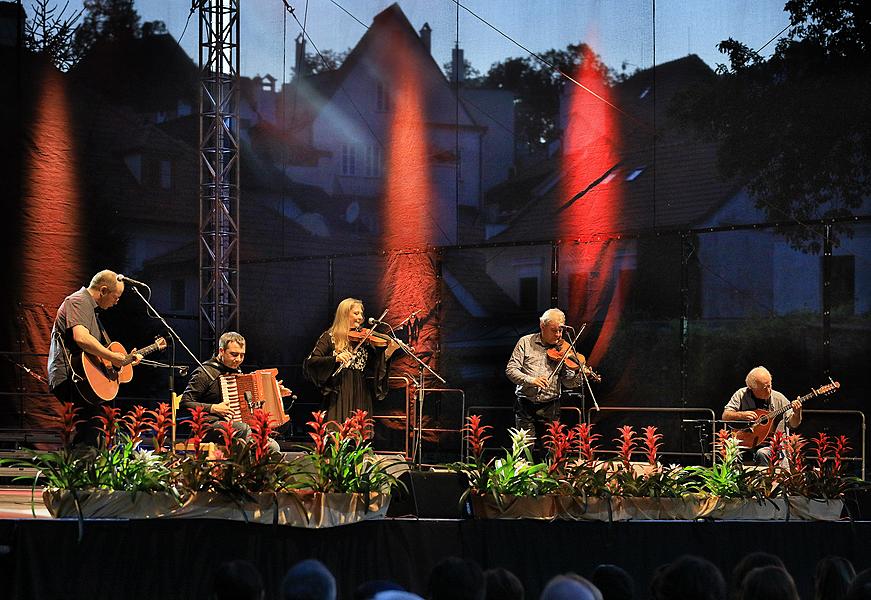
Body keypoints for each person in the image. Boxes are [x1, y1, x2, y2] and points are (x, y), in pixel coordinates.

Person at [47, 269, 141, 444]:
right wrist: (113, 357)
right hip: (69, 376)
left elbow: (98, 353)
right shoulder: (78, 301)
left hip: (81, 378)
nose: (116, 302)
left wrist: (123, 361)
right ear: (104, 290)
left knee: (93, 428)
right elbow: (81, 338)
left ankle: (83, 468)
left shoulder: (91, 309)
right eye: (116, 297)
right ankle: (78, 469)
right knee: (91, 427)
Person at [179, 331, 280, 451]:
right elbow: (185, 403)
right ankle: (241, 468)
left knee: (272, 447)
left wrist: (274, 390)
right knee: (242, 429)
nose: (238, 359)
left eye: (242, 355)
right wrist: (213, 408)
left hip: (238, 428)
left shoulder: (237, 373)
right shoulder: (204, 373)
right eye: (234, 354)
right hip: (208, 426)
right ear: (221, 351)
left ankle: (255, 467)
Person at [303, 298, 398, 423]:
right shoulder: (330, 336)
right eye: (356, 313)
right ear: (344, 314)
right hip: (339, 390)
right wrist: (335, 359)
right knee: (337, 433)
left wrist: (389, 351)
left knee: (359, 433)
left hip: (360, 389)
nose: (360, 317)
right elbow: (311, 362)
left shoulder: (363, 340)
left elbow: (375, 365)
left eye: (361, 314)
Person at [505, 308, 581, 453]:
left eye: (561, 331)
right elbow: (511, 370)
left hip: (551, 407)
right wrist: (531, 380)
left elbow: (567, 382)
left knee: (551, 450)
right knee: (523, 450)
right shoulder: (525, 342)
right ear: (542, 326)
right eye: (554, 330)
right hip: (525, 405)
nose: (558, 335)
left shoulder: (565, 349)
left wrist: (580, 376)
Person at [722, 366, 802, 465]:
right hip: (745, 440)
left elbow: (793, 424)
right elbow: (725, 416)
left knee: (762, 453)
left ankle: (766, 480)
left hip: (771, 445)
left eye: (770, 385)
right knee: (732, 453)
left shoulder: (779, 399)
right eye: (765, 388)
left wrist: (797, 413)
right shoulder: (741, 395)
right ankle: (735, 480)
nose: (769, 390)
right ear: (752, 388)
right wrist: (741, 415)